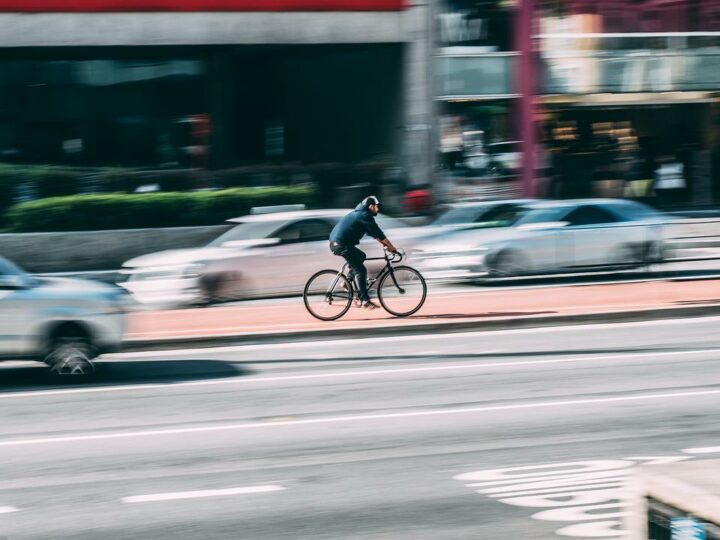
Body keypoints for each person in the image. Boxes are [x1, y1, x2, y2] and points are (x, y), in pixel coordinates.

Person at [329, 196, 397, 310]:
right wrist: (392, 247)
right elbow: (379, 233)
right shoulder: (364, 215)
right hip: (340, 245)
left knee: (361, 256)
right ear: (370, 206)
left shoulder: (361, 214)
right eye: (377, 206)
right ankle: (365, 300)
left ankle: (347, 282)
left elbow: (375, 234)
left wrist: (385, 245)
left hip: (340, 243)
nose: (378, 209)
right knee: (361, 270)